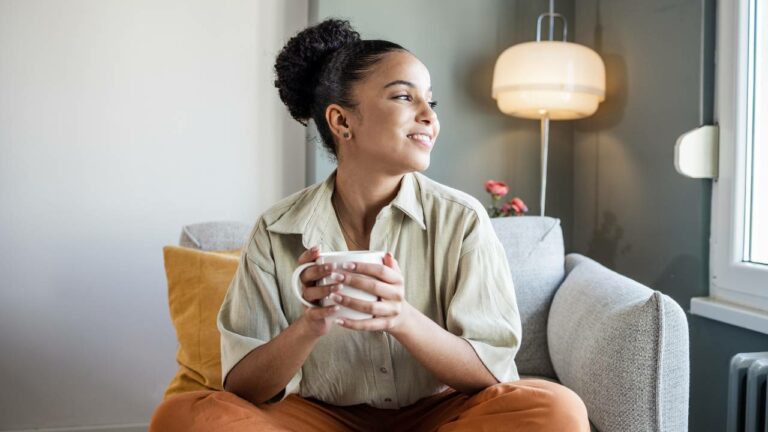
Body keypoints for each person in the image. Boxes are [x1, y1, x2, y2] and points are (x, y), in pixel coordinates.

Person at [150, 18, 589, 432]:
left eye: (430, 101)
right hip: (318, 416)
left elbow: (491, 373)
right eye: (404, 97)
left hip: (440, 415)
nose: (429, 115)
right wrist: (310, 325)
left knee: (556, 409)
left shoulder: (463, 219)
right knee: (183, 416)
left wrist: (401, 317)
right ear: (342, 121)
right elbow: (243, 388)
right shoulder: (275, 229)